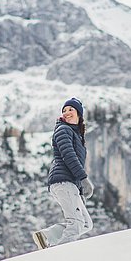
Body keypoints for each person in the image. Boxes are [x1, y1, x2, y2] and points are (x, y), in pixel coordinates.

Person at [32, 98, 94, 250]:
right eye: (64, 110)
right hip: (62, 181)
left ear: (79, 114)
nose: (66, 113)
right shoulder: (63, 130)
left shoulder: (76, 134)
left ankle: (46, 236)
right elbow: (68, 156)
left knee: (85, 223)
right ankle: (62, 254)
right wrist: (84, 178)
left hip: (69, 183)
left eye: (70, 110)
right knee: (76, 222)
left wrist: (79, 191)